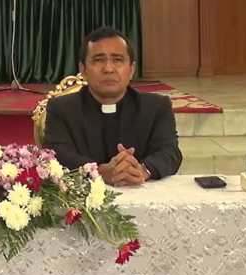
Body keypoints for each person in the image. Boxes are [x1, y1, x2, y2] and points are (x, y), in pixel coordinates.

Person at [43, 27, 182, 186]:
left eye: (117, 59)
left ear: (131, 69)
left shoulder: (156, 107)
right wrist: (99, 171)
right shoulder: (61, 109)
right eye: (98, 60)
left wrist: (142, 170)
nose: (108, 69)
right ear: (83, 71)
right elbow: (56, 154)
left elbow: (170, 152)